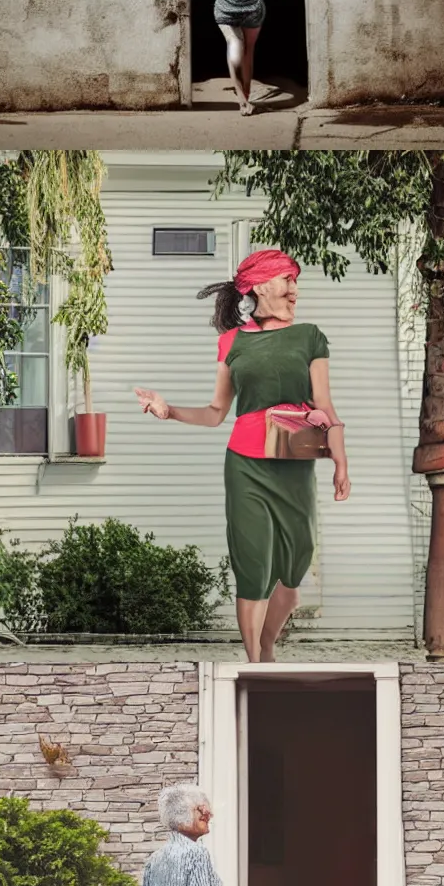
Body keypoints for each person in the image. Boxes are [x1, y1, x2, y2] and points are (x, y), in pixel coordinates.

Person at [134, 248, 348, 664]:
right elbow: (217, 413)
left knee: (294, 571)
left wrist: (341, 463)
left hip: (294, 464)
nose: (294, 290)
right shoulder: (230, 343)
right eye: (287, 280)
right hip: (245, 465)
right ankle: (256, 663)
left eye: (295, 282)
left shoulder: (310, 337)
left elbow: (326, 405)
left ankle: (266, 645)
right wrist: (169, 410)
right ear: (260, 285)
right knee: (253, 565)